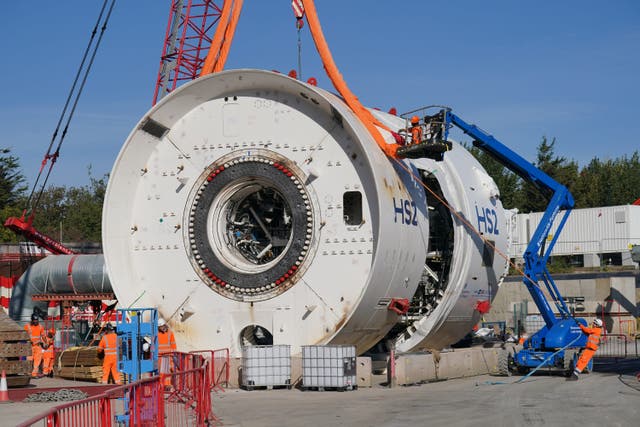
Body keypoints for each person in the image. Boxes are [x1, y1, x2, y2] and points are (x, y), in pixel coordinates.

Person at [158, 318, 177, 386]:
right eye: (160, 327)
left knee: (169, 370)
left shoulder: (170, 333)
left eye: (162, 326)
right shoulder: (156, 334)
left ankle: (167, 385)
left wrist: (174, 355)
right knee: (161, 372)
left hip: (168, 356)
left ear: (165, 325)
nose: (162, 328)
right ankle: (162, 385)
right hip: (160, 356)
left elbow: (173, 345)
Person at [24, 314, 44, 378]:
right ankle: (28, 373)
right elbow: (24, 335)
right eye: (34, 320)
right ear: (32, 320)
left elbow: (43, 336)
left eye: (36, 320)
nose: (36, 321)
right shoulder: (27, 326)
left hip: (38, 346)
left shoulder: (40, 327)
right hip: (30, 346)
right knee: (29, 360)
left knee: (37, 361)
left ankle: (34, 374)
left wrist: (45, 342)